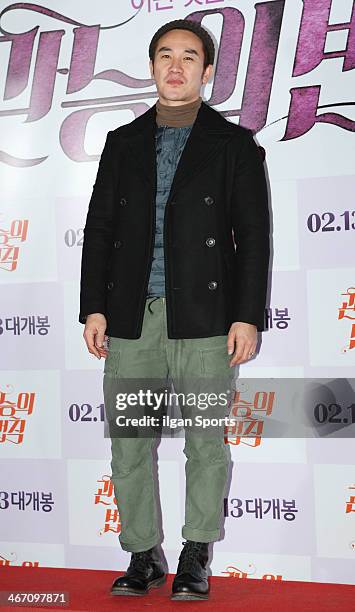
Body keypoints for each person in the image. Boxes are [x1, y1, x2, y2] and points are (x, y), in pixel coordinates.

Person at [79, 18, 270, 601]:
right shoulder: (123, 142)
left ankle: (195, 554)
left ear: (207, 72)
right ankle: (143, 554)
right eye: (166, 55)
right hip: (133, 317)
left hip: (207, 320)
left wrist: (246, 315)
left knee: (205, 441)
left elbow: (252, 237)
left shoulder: (234, 145)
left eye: (190, 57)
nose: (177, 66)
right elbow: (100, 230)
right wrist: (94, 307)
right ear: (153, 66)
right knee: (130, 442)